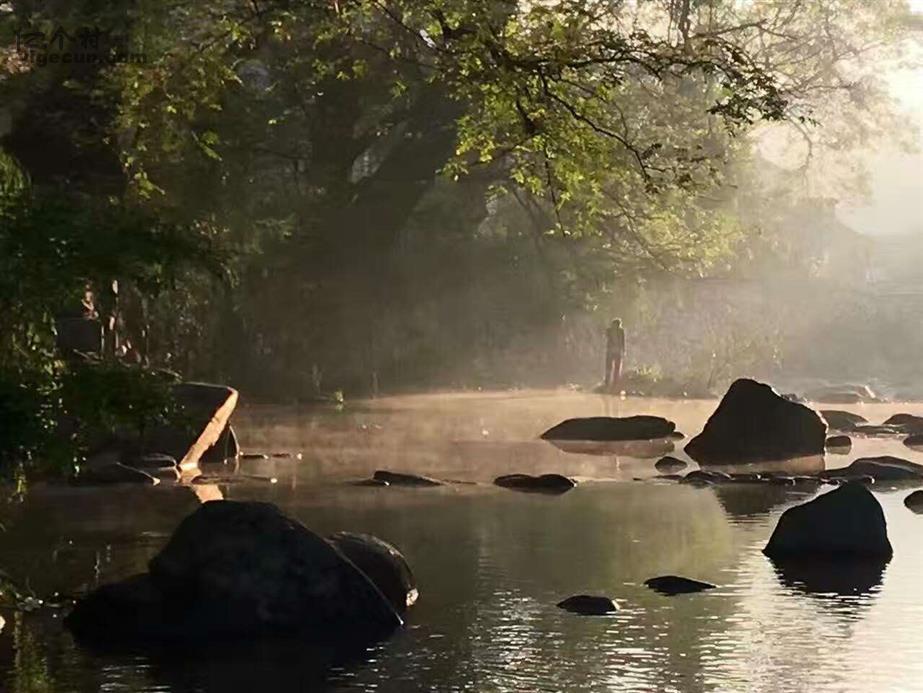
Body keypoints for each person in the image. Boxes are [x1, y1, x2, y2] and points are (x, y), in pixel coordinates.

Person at [604, 318, 625, 393]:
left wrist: (623, 350)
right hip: (611, 351)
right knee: (609, 367)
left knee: (616, 367)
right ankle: (607, 382)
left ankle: (615, 382)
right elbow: (607, 337)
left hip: (617, 351)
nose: (615, 326)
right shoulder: (609, 330)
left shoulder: (621, 331)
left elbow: (623, 342)